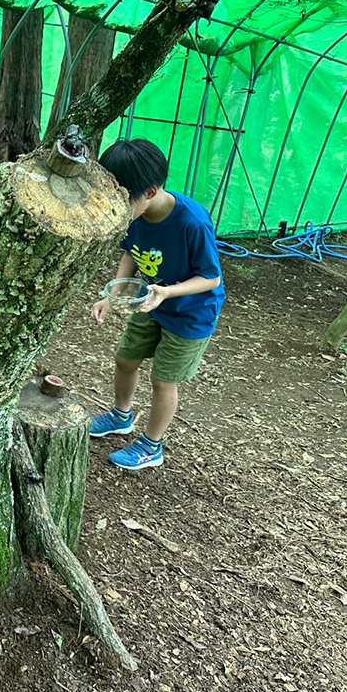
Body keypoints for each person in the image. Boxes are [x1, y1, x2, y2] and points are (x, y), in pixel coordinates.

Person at [89, 138, 225, 470]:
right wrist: (112, 293)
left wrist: (166, 292)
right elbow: (130, 252)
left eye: (124, 199)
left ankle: (152, 446)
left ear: (149, 192)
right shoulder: (135, 216)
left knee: (163, 381)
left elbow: (211, 278)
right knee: (125, 359)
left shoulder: (192, 222)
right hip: (150, 302)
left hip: (190, 313)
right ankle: (122, 415)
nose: (118, 207)